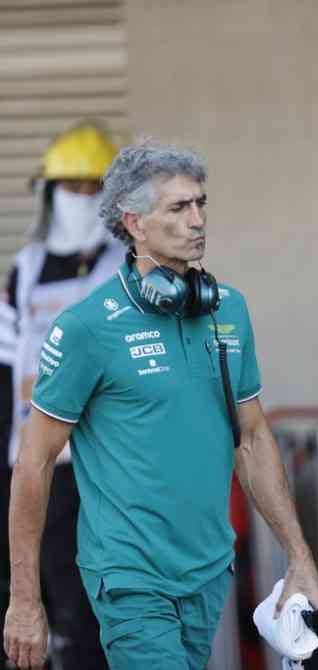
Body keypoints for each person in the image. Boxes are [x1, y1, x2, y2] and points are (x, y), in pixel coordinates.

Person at [3, 142, 318, 670]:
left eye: (200, 203)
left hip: (206, 570)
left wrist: (300, 559)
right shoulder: (88, 327)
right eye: (179, 208)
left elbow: (251, 438)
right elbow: (33, 462)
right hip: (129, 576)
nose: (198, 220)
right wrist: (24, 599)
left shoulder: (229, 310)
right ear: (134, 222)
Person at [0, 121, 125, 669]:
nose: (80, 199)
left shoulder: (127, 268)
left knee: (92, 608)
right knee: (36, 604)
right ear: (48, 193)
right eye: (69, 187)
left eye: (92, 187)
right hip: (33, 465)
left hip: (102, 466)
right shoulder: (24, 271)